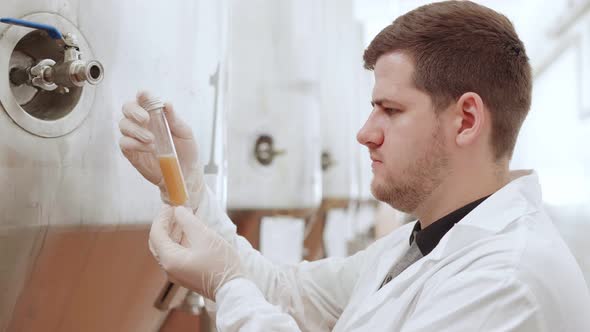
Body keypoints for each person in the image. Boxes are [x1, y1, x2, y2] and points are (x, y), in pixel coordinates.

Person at [119, 1, 590, 331]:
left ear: (465, 119)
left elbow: (243, 285)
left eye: (391, 109)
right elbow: (284, 292)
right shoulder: (422, 245)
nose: (365, 133)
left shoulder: (505, 282)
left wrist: (227, 287)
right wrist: (186, 184)